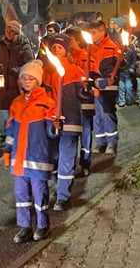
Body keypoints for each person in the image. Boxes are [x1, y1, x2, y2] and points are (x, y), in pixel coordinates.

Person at [3, 59, 60, 244]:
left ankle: (42, 225)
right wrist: (7, 150)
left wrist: (56, 126)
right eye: (24, 78)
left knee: (40, 194)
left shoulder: (47, 103)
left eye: (31, 78)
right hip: (19, 159)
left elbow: (52, 134)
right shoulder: (16, 103)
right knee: (21, 195)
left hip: (38, 158)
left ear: (38, 81)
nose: (26, 81)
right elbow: (10, 131)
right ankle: (25, 226)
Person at [43, 34, 86, 211]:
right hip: (50, 123)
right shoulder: (45, 72)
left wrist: (88, 89)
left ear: (66, 50)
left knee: (66, 159)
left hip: (69, 121)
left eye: (59, 47)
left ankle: (63, 196)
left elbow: (84, 94)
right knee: (52, 158)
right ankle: (57, 184)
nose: (56, 50)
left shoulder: (75, 71)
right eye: (53, 47)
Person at [0, 19, 35, 138]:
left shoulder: (24, 46)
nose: (8, 33)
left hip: (17, 86)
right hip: (4, 85)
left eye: (11, 31)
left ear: (17, 32)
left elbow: (29, 66)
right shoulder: (1, 45)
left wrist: (14, 70)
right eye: (6, 30)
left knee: (17, 110)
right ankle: (8, 134)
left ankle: (16, 134)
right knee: (6, 111)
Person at [63, 26, 96, 175]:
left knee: (86, 133)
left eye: (68, 39)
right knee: (70, 136)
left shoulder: (86, 58)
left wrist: (88, 83)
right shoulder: (64, 60)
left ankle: (85, 162)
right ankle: (69, 165)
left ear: (76, 40)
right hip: (70, 106)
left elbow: (94, 77)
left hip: (85, 104)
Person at [87, 20, 123, 155]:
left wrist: (110, 78)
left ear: (102, 32)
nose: (91, 35)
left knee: (107, 113)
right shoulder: (89, 48)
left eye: (94, 32)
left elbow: (121, 66)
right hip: (94, 88)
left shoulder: (112, 47)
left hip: (108, 89)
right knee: (96, 116)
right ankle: (101, 142)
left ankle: (112, 142)